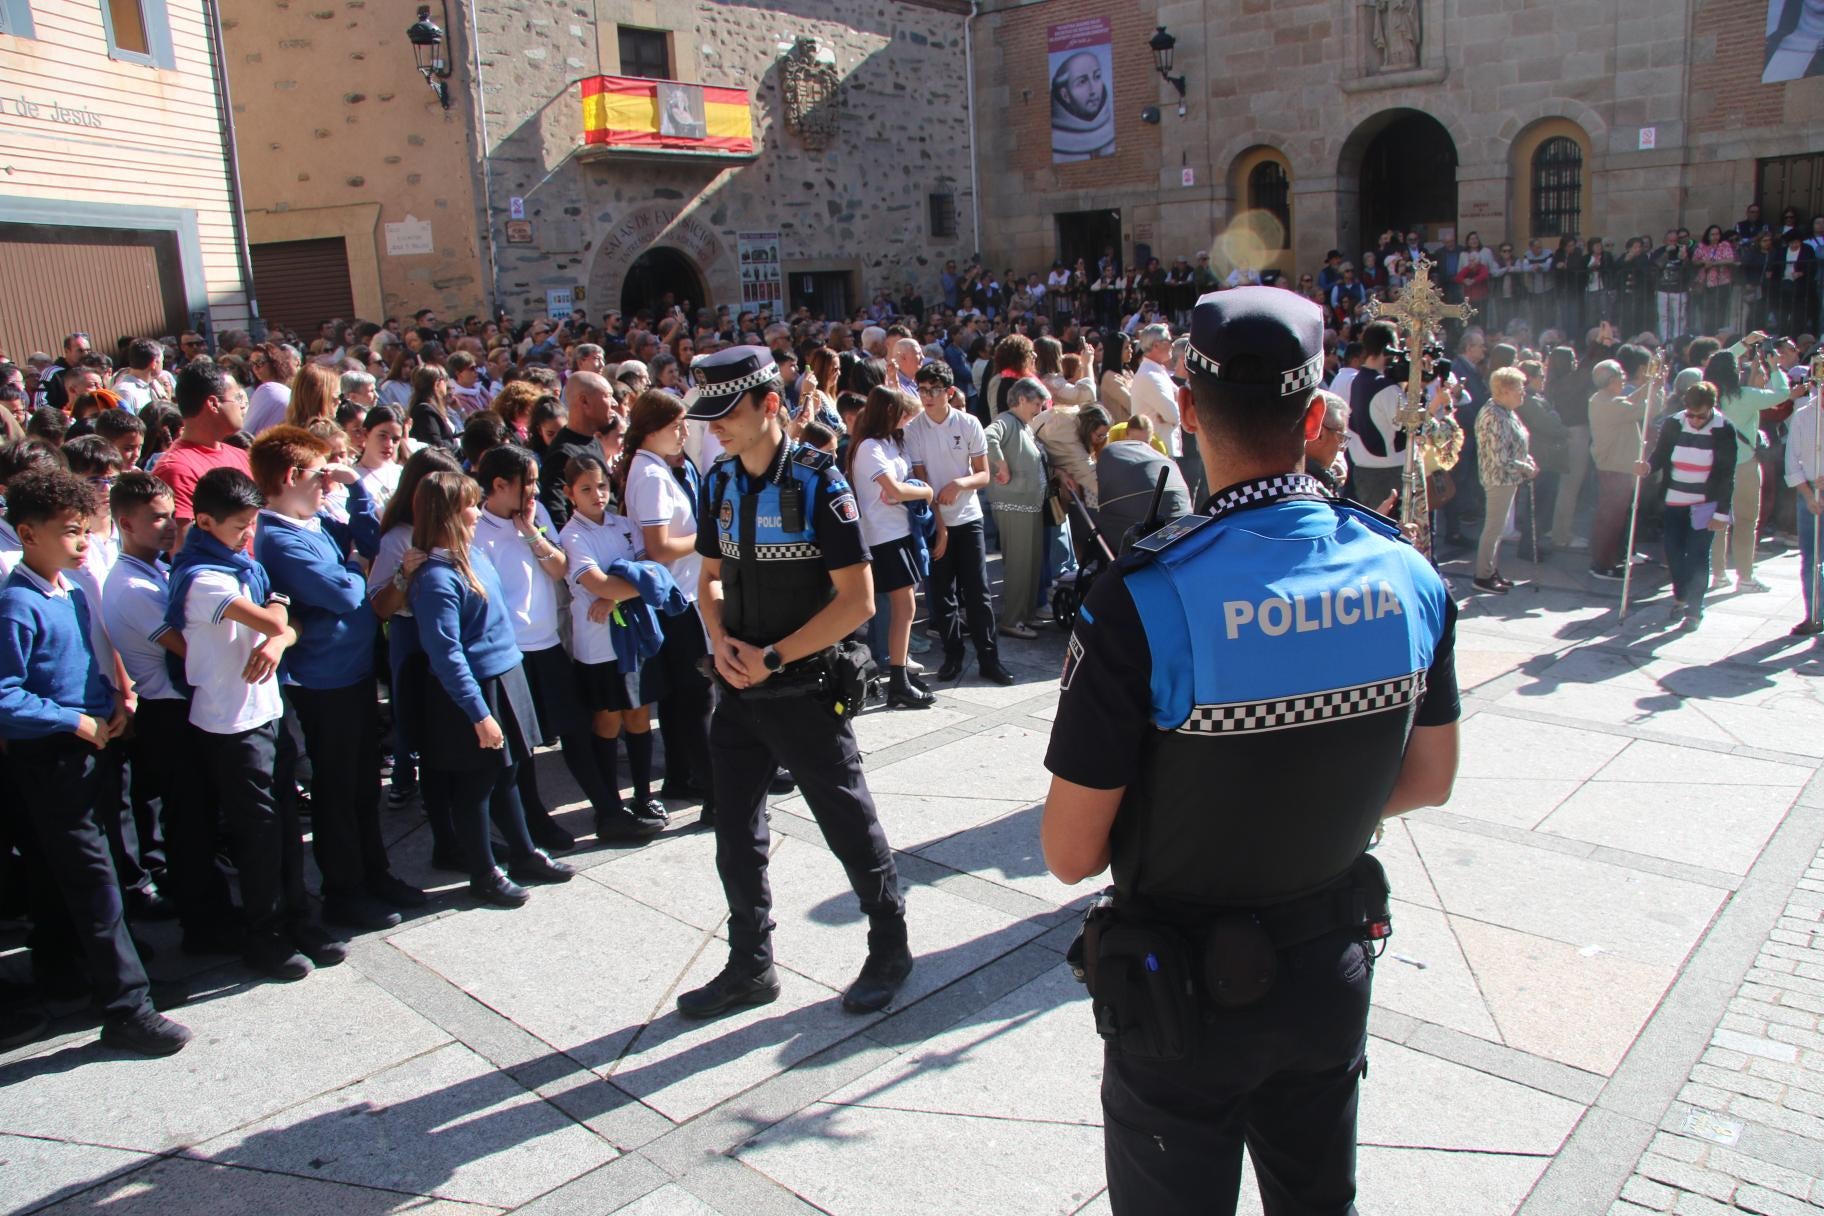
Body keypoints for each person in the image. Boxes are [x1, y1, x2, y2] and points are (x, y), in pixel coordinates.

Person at [1040, 286, 1459, 1215]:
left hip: (1179, 999)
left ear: (1188, 409)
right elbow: (1430, 779)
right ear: (1314, 419)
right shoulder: (1407, 573)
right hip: (1328, 967)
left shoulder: (1142, 597)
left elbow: (1069, 852)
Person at [677, 346, 912, 1020]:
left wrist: (774, 658)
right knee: (735, 836)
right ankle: (750, 965)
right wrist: (719, 637)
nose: (715, 426)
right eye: (708, 414)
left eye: (728, 412)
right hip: (736, 691)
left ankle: (890, 946)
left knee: (848, 825)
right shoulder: (719, 480)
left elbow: (858, 602)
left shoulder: (818, 482)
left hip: (805, 691)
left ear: (771, 404)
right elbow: (710, 577)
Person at [0, 468, 192, 1055]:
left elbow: (86, 662)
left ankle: (75, 974)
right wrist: (70, 720)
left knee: (82, 871)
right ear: (28, 534)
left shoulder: (73, 592)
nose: (84, 542)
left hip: (92, 746)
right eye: (70, 531)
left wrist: (113, 698)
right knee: (94, 882)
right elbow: (6, 694)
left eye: (87, 529)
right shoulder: (17, 605)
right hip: (52, 758)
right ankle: (127, 1007)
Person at [168, 467, 346, 981]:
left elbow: (284, 623)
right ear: (204, 522)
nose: (249, 535)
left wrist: (278, 634)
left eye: (251, 524)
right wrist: (278, 623)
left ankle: (298, 918)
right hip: (231, 722)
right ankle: (264, 935)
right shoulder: (203, 577)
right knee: (258, 835)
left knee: (285, 825)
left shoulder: (241, 564)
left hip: (266, 709)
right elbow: (275, 618)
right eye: (238, 527)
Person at [250, 425, 422, 931]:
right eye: (318, 475)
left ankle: (374, 873)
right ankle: (344, 890)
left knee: (363, 783)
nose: (326, 483)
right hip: (323, 680)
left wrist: (358, 490)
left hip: (352, 670)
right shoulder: (278, 536)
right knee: (338, 789)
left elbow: (370, 540)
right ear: (290, 477)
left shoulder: (315, 522)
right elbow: (345, 593)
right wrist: (355, 565)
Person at [407, 471, 575, 906]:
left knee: (509, 773)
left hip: (506, 673)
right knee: (477, 785)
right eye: (469, 505)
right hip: (477, 689)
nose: (477, 512)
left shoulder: (473, 556)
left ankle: (523, 853)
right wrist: (479, 713)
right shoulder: (436, 579)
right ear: (447, 514)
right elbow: (447, 654)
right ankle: (483, 873)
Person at [102, 472, 236, 955]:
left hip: (181, 707)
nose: (168, 526)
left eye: (170, 516)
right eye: (156, 518)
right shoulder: (132, 586)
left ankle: (212, 912)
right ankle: (203, 926)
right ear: (125, 523)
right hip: (167, 712)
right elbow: (188, 648)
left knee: (198, 817)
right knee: (189, 822)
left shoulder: (155, 570)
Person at [558, 454, 673, 837]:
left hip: (633, 637)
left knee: (638, 715)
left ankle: (643, 794)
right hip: (598, 643)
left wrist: (614, 597)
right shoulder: (572, 536)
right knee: (607, 719)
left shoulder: (624, 525)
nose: (597, 494)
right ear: (569, 493)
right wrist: (618, 591)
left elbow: (653, 572)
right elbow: (597, 583)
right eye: (586, 488)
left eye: (602, 486)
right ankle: (609, 803)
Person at [617, 390, 718, 820]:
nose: (683, 432)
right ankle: (716, 796)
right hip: (677, 598)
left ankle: (682, 776)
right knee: (697, 697)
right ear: (650, 428)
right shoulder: (651, 475)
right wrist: (707, 538)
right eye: (675, 426)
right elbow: (657, 548)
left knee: (681, 698)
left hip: (680, 594)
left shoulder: (655, 468)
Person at [905, 360, 1011, 685]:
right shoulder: (914, 429)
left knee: (978, 592)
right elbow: (922, 482)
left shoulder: (968, 423)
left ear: (949, 392)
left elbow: (983, 474)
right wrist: (940, 527)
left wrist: (959, 484)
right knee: (942, 594)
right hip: (936, 521)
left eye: (933, 390)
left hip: (969, 517)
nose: (927, 397)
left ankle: (989, 659)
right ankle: (952, 655)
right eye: (922, 390)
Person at [847, 385, 938, 708]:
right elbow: (894, 491)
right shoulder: (869, 447)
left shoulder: (890, 442)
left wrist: (911, 489)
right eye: (902, 413)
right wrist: (926, 492)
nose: (907, 419)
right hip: (882, 535)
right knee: (903, 606)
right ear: (888, 412)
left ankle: (899, 674)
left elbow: (898, 489)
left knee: (905, 607)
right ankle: (897, 679)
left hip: (900, 530)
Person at [1640, 382, 1738, 630]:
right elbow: (1661, 454)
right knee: (1673, 552)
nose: (1694, 421)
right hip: (1675, 499)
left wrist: (1721, 512)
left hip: (1705, 503)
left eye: (1700, 416)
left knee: (1697, 555)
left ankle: (1694, 610)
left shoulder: (1724, 429)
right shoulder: (1674, 423)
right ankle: (1680, 597)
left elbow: (1726, 474)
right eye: (1691, 415)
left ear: (1711, 408)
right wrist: (1648, 466)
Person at [156, 361, 251, 550]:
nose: (242, 406)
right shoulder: (177, 470)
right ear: (214, 404)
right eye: (237, 398)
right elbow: (184, 551)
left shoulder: (241, 455)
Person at [986, 377, 1051, 639]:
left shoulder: (1023, 425)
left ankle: (1025, 615)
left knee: (1031, 564)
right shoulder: (1006, 420)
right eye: (1037, 404)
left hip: (1028, 505)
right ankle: (1012, 619)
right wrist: (1001, 464)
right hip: (1014, 504)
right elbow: (988, 437)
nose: (1040, 409)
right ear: (1021, 399)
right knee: (1019, 565)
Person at [1472, 368, 1538, 593]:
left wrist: (1527, 460)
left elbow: (1516, 444)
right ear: (1505, 390)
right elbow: (1500, 458)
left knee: (1498, 529)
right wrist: (1525, 467)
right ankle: (1483, 575)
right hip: (1498, 479)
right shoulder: (1493, 415)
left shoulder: (1506, 411)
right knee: (1493, 528)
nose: (1523, 393)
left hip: (1508, 479)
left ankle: (1491, 570)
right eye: (1519, 388)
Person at [1094, 413, 1190, 552]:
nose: (1140, 446)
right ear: (1126, 435)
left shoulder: (1158, 448)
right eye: (1134, 440)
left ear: (1150, 439)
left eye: (1145, 442)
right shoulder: (1114, 439)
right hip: (1125, 498)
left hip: (1147, 503)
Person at [1786, 370, 1824, 636]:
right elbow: (1792, 460)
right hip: (1808, 491)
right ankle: (1814, 613)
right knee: (1810, 557)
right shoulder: (1803, 415)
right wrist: (1809, 495)